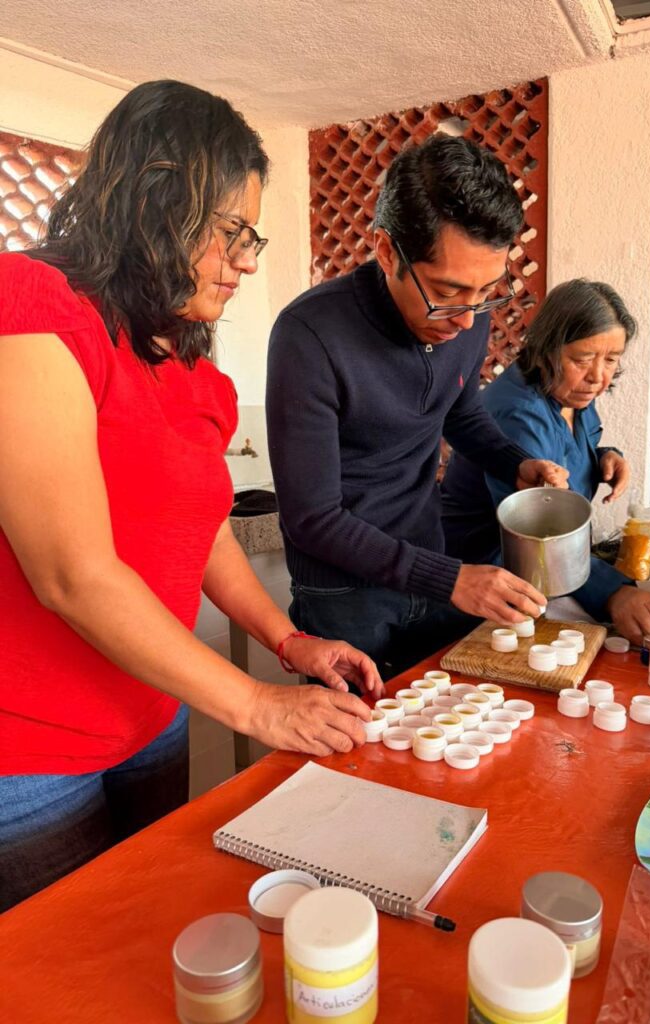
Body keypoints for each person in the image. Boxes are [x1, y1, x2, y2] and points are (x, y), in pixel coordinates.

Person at [0, 80, 383, 912]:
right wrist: (254, 706)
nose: (245, 260)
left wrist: (290, 645)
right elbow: (71, 574)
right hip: (27, 749)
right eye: (228, 234)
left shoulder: (197, 375)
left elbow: (201, 536)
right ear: (151, 199)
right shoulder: (31, 307)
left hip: (151, 713)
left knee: (163, 926)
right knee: (74, 968)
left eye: (253, 236)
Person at [266, 135, 568, 680]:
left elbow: (459, 411)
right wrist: (451, 579)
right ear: (386, 251)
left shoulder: (466, 315)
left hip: (430, 562)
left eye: (487, 292)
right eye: (448, 292)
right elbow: (312, 519)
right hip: (343, 592)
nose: (469, 319)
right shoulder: (309, 334)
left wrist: (515, 463)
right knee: (353, 749)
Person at [441, 279, 650, 645]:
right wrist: (615, 592)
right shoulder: (518, 414)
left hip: (540, 571)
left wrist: (606, 457)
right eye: (582, 359)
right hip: (489, 572)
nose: (597, 377)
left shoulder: (569, 392)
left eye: (611, 360)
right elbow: (539, 534)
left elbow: (571, 448)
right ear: (547, 348)